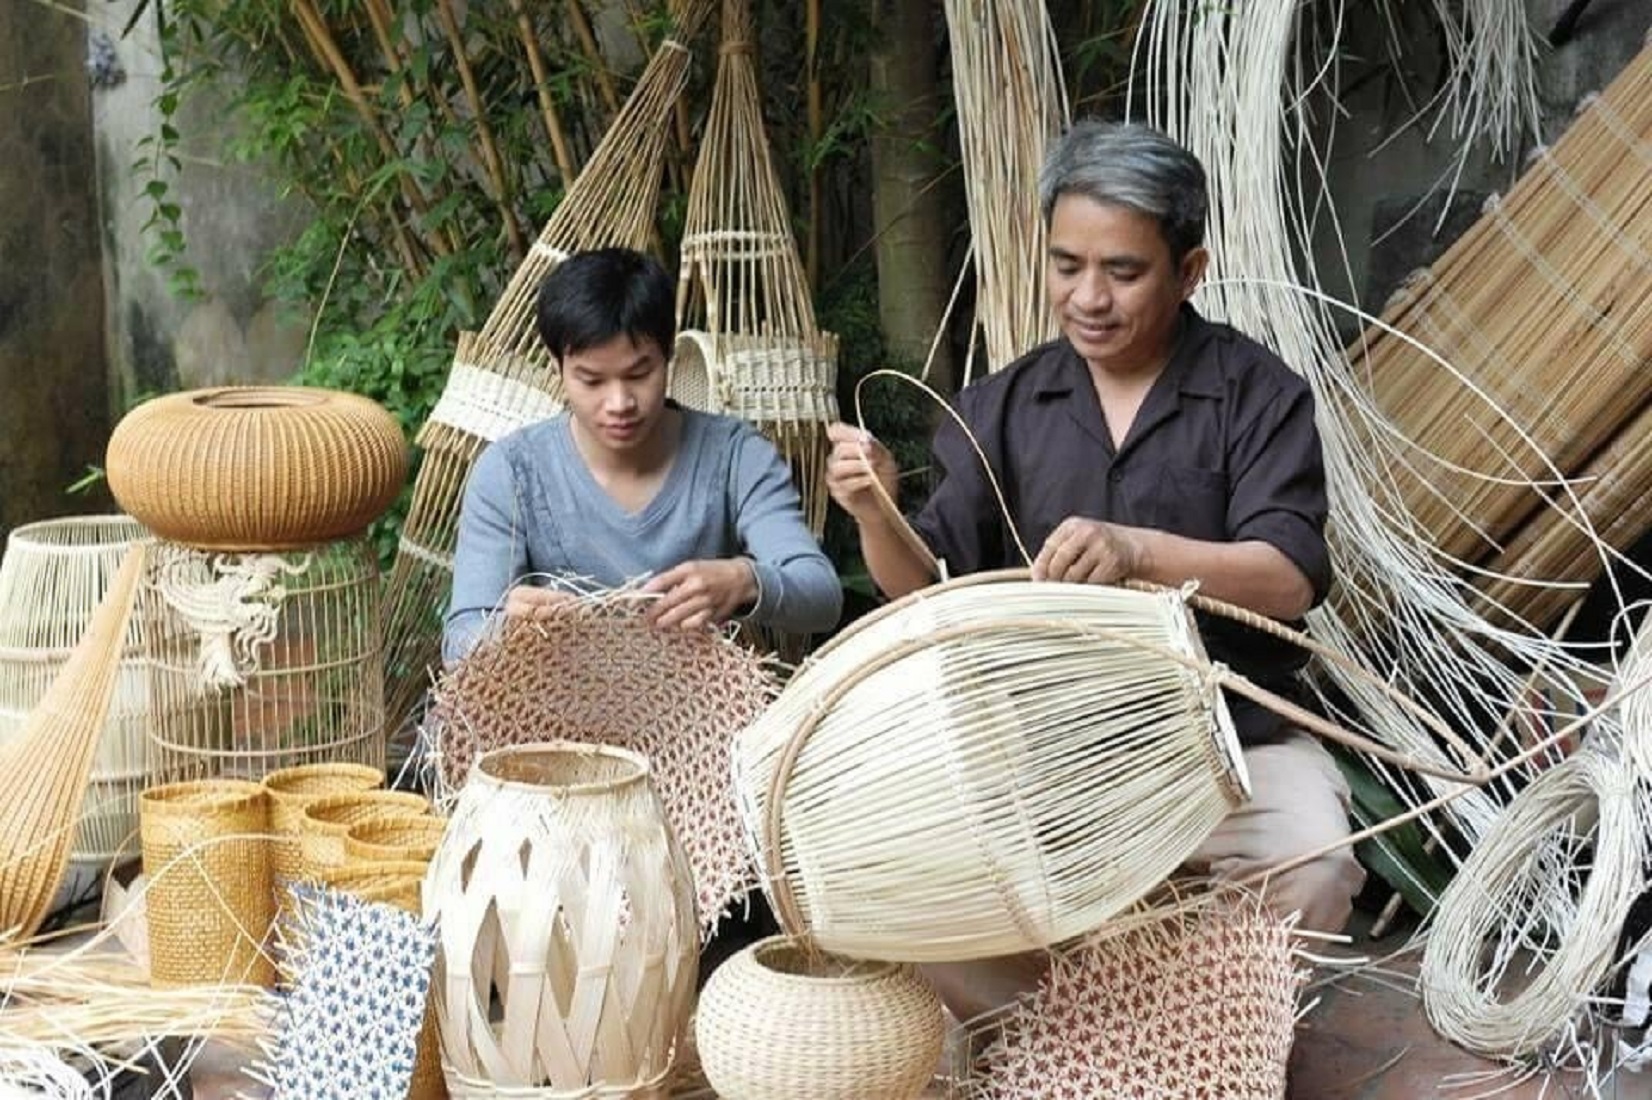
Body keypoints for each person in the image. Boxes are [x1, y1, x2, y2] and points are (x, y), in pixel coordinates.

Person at [824, 119, 1365, 1022]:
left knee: (1314, 859)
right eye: (1066, 264)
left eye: (1123, 271)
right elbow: (923, 588)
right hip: (1041, 748)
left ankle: (1208, 1042)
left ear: (1189, 271)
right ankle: (1067, 1047)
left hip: (1225, 742)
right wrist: (874, 508)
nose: (1088, 297)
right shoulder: (1000, 406)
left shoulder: (1258, 394)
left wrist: (1138, 550)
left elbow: (1290, 577)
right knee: (910, 880)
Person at [444, 247, 842, 661]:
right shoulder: (512, 471)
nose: (619, 402)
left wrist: (745, 581)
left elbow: (821, 594)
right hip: (550, 708)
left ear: (670, 352)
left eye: (639, 374)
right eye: (591, 380)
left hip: (698, 707)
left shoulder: (735, 456)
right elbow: (460, 643)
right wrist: (507, 631)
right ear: (556, 365)